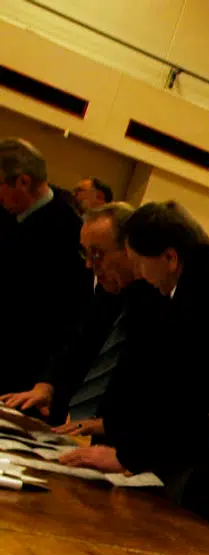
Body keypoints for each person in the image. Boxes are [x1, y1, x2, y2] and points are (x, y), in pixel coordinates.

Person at [60, 201, 209, 551]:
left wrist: (128, 454)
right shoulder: (208, 282)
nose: (139, 274)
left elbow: (191, 397)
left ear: (170, 258)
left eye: (141, 262)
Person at [0, 203, 155, 425]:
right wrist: (47, 385)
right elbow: (77, 343)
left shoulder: (160, 303)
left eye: (97, 254)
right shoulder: (107, 290)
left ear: (130, 249)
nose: (89, 265)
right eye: (86, 253)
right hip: (73, 425)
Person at [0, 139, 92, 392]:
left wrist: (47, 380)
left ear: (23, 182)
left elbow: (70, 317)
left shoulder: (70, 233)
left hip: (22, 372)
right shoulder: (6, 213)